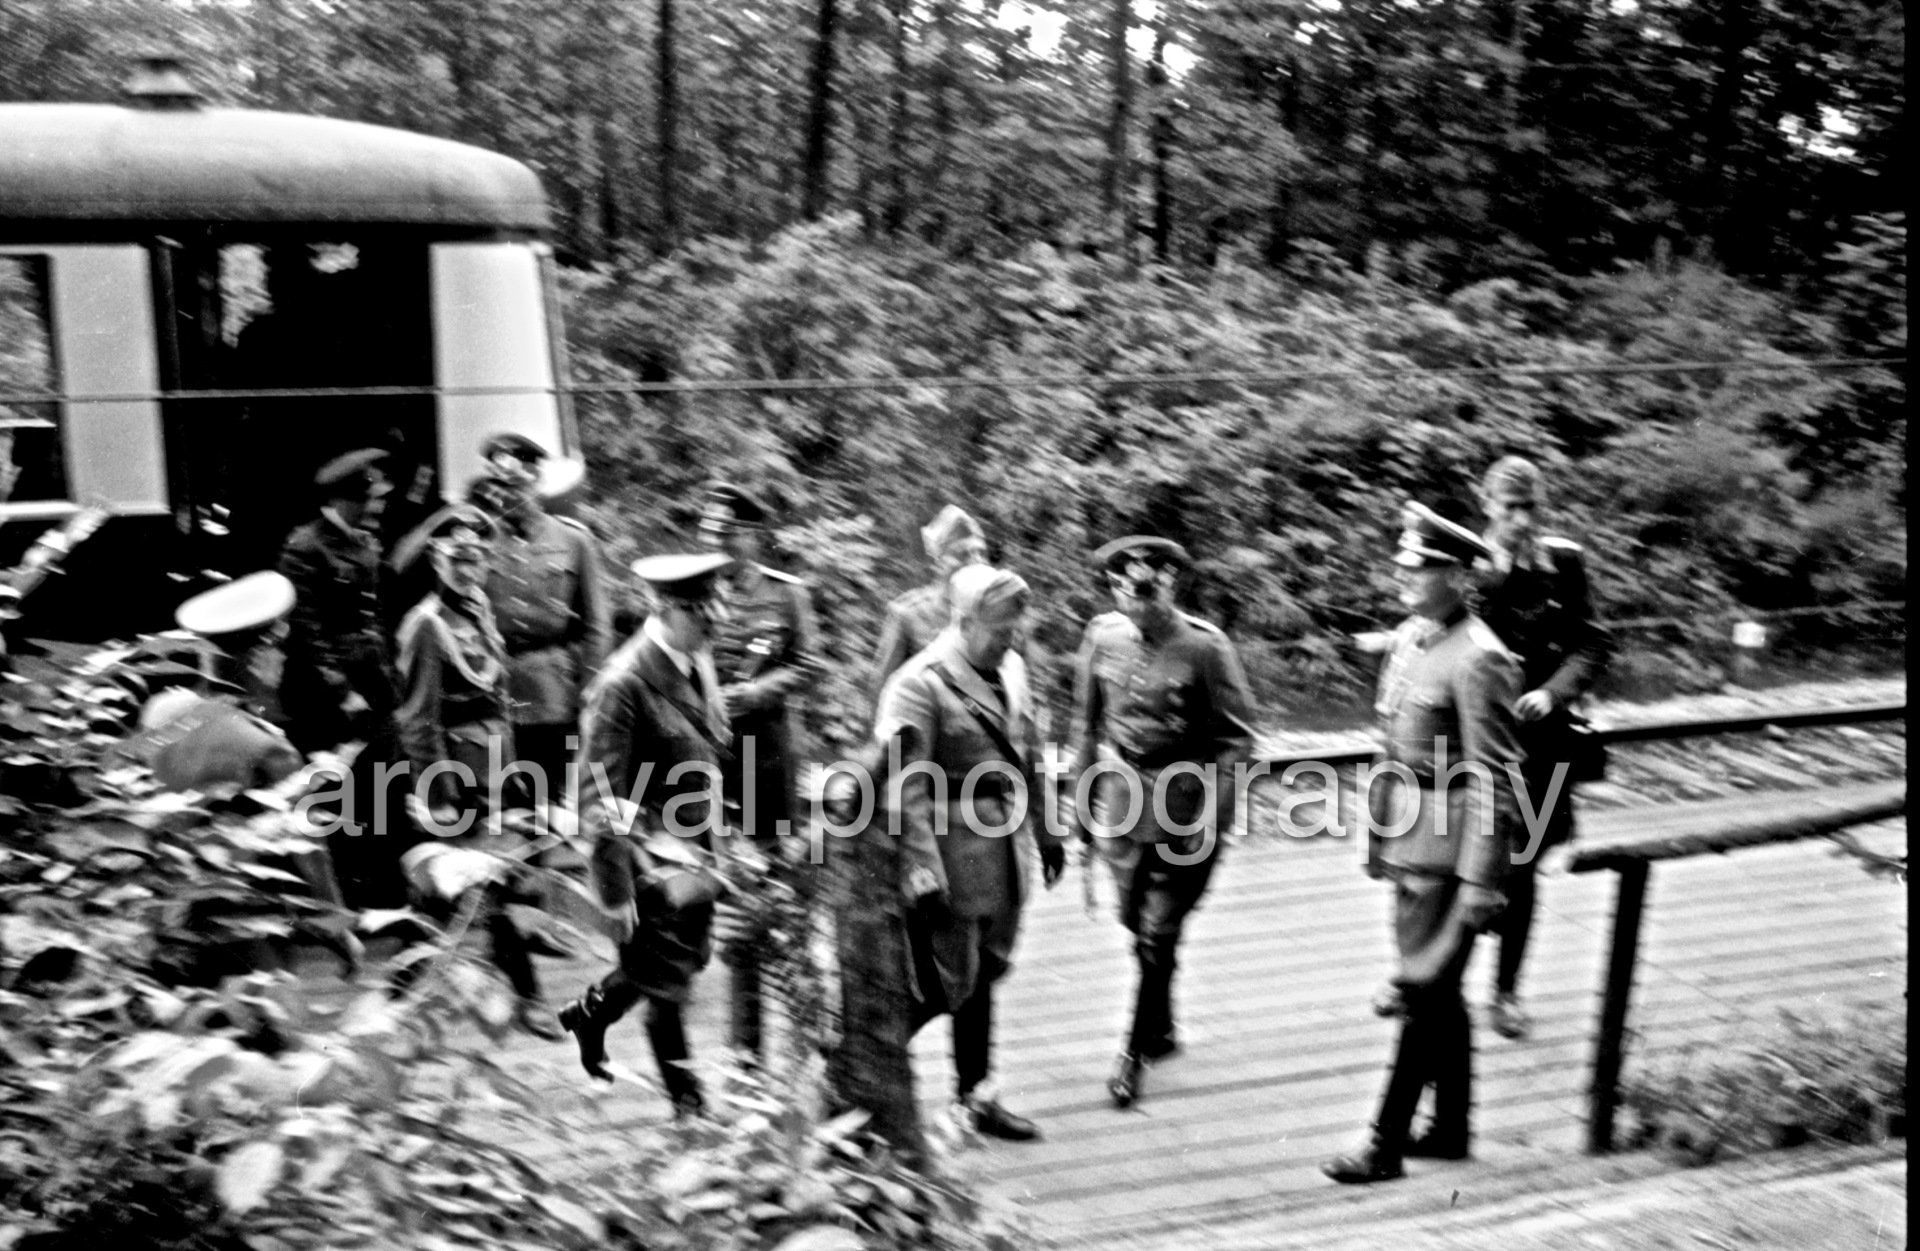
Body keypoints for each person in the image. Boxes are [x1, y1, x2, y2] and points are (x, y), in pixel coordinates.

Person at [1322, 502, 1522, 1184]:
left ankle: (1384, 1141)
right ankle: (1451, 1127)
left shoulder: (1480, 659)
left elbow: (1498, 777)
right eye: (1405, 561)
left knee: (1423, 987)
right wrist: (1381, 836)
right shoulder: (1414, 636)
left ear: (1460, 576)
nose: (1406, 574)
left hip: (1451, 844)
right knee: (1439, 989)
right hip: (1413, 831)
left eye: (1424, 565)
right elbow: (1393, 746)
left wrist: (1482, 881)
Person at [874, 563, 1066, 1141]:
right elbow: (904, 788)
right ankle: (855, 1073)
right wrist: (920, 870)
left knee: (985, 973)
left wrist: (1050, 828)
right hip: (950, 846)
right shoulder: (920, 682)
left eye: (1015, 627)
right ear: (962, 620)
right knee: (941, 984)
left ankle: (975, 1096)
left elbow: (1029, 750)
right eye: (1001, 628)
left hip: (1004, 843)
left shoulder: (1010, 666)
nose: (1012, 638)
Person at [1064, 536, 1256, 1110]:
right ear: (1114, 589)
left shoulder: (1204, 648)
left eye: (1149, 590)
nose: (1138, 601)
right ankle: (1163, 1023)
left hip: (1184, 805)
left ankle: (1131, 1054)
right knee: (1134, 922)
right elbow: (1084, 725)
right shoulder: (1102, 638)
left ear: (1171, 586)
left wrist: (1213, 821)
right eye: (1126, 589)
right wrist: (1079, 809)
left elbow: (1238, 740)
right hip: (1122, 804)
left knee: (1157, 931)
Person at [559, 552, 737, 1118]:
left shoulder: (693, 655)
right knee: (667, 986)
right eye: (702, 612)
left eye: (718, 608)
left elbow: (706, 745)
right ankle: (691, 1111)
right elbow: (598, 797)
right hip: (647, 856)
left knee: (678, 963)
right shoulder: (623, 683)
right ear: (664, 608)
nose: (717, 622)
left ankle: (590, 1014)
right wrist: (612, 894)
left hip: (693, 844)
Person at [392, 503, 560, 1040]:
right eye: (458, 557)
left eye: (478, 557)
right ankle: (525, 996)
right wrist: (438, 794)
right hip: (456, 774)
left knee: (486, 882)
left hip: (496, 766)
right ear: (436, 560)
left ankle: (408, 985)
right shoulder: (425, 625)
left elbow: (498, 696)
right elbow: (419, 720)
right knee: (474, 885)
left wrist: (511, 771)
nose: (470, 568)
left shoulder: (478, 609)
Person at [1475, 456, 1610, 1040]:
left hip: (1540, 749)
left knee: (1523, 867)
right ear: (1487, 506)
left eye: (1532, 508)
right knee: (1458, 861)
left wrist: (1555, 693)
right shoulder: (1466, 564)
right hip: (1476, 747)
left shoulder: (1564, 563)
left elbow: (1592, 643)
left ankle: (1505, 992)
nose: (1523, 521)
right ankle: (1430, 981)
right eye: (1511, 509)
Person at [696, 482, 819, 1060]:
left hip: (769, 762)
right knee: (734, 916)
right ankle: (746, 1055)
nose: (714, 540)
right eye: (708, 530)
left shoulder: (786, 595)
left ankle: (807, 1044)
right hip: (713, 768)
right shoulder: (691, 595)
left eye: (725, 531)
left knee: (783, 903)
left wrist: (758, 691)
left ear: (750, 536)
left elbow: (809, 664)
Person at [476, 433, 610, 804]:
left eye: (515, 485)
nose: (505, 496)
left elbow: (597, 626)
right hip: (496, 688)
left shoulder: (573, 541)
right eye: (498, 486)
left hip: (555, 692)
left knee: (559, 797)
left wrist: (590, 691)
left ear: (536, 482)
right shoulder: (479, 541)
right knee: (507, 801)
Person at [277, 448, 394, 753]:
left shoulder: (364, 542)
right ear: (350, 500)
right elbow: (307, 631)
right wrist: (343, 693)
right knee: (331, 786)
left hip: (370, 682)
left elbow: (373, 616)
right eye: (375, 498)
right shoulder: (305, 547)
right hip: (323, 695)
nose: (381, 506)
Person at [869, 504, 991, 706]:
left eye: (981, 553)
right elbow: (883, 698)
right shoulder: (908, 615)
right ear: (939, 561)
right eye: (963, 554)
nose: (976, 561)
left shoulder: (995, 621)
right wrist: (895, 740)